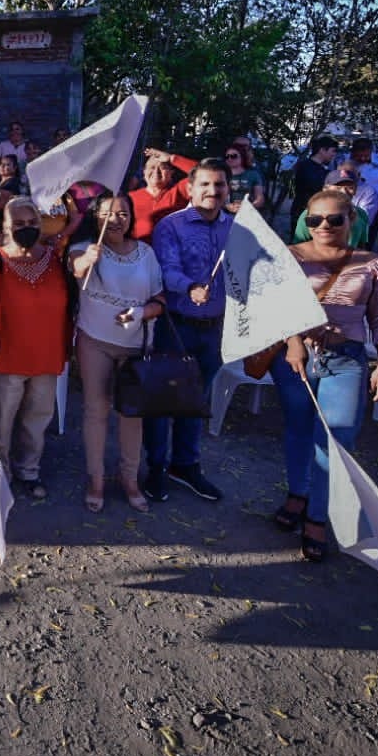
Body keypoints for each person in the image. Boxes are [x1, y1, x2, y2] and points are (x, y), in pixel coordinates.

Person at [268, 188, 378, 562]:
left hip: (346, 359)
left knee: (336, 441)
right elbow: (276, 304)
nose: (323, 225)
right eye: (315, 219)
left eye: (334, 218)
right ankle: (297, 493)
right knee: (298, 429)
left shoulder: (374, 264)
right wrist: (293, 341)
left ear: (351, 220)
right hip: (296, 356)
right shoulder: (290, 256)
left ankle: (317, 514)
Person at [69, 193, 164, 513]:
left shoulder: (146, 253)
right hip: (94, 341)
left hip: (136, 347)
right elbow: (76, 268)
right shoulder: (84, 248)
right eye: (108, 213)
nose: (115, 219)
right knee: (96, 411)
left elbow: (160, 299)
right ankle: (96, 480)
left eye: (123, 213)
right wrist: (87, 260)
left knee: (131, 415)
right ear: (95, 217)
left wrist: (141, 314)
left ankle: (130, 479)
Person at [146, 160, 233, 502]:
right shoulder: (172, 226)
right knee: (163, 401)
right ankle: (155, 467)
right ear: (190, 188)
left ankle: (185, 465)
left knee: (196, 400)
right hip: (177, 325)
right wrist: (190, 287)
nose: (213, 191)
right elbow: (166, 271)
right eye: (205, 184)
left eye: (219, 184)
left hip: (215, 328)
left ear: (228, 189)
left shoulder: (237, 228)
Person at [0, 196, 70, 500]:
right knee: (1, 419)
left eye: (31, 223)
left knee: (37, 418)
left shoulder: (55, 259)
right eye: (18, 223)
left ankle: (28, 470)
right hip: (8, 353)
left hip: (47, 352)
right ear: (5, 226)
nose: (26, 228)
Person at [291, 168, 369, 248]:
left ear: (355, 190)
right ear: (325, 189)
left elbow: (361, 246)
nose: (344, 192)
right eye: (338, 188)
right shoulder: (310, 214)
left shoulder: (361, 214)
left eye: (350, 188)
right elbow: (299, 246)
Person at [130, 148, 196, 240]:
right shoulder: (130, 198)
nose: (156, 172)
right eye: (152, 167)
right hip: (139, 248)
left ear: (171, 172)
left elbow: (205, 174)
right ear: (144, 172)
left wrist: (171, 158)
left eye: (163, 167)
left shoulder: (179, 192)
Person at [289, 134, 339, 224]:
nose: (334, 154)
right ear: (322, 150)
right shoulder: (306, 167)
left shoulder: (319, 168)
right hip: (304, 214)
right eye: (333, 151)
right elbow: (316, 187)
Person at [223, 144, 265, 211]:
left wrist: (249, 207)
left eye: (234, 156)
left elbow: (260, 198)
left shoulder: (253, 175)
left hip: (248, 212)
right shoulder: (222, 174)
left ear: (242, 157)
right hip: (226, 213)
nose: (229, 159)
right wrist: (228, 206)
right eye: (227, 156)